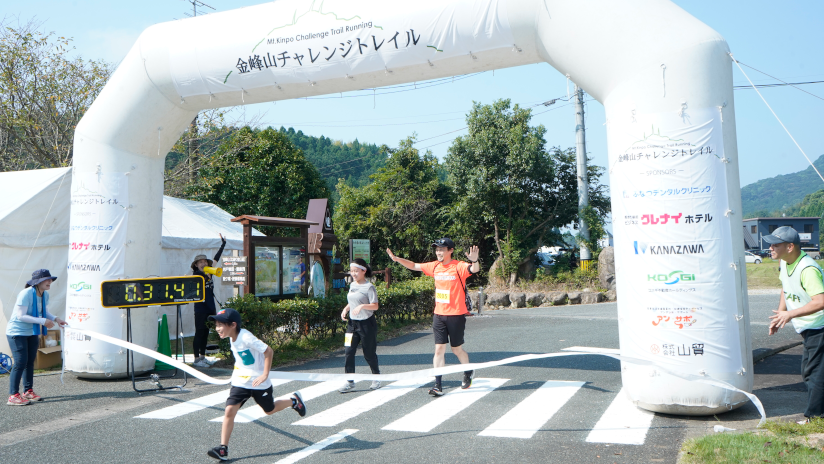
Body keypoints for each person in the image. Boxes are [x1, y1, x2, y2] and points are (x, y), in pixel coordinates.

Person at [206, 308, 306, 461]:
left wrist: (265, 374)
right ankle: (223, 449)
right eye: (216, 325)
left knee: (269, 409)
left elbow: (268, 351)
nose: (217, 328)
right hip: (241, 382)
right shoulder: (231, 337)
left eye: (220, 325)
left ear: (233, 325)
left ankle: (294, 401)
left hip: (259, 383)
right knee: (229, 411)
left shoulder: (246, 337)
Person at [387, 238, 480, 396]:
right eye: (437, 249)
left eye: (442, 249)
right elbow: (414, 265)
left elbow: (474, 270)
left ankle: (468, 371)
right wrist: (397, 259)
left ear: (450, 250)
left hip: (456, 315)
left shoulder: (459, 266)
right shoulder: (435, 266)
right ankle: (438, 385)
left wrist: (475, 260)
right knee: (439, 350)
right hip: (439, 315)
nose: (438, 252)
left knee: (456, 349)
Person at [766, 226, 824, 424]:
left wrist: (790, 314)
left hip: (820, 327)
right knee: (810, 371)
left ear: (790, 247)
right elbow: (785, 286)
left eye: (775, 244)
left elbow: (820, 301)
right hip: (809, 327)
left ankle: (815, 418)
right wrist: (780, 314)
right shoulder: (785, 263)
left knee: (814, 373)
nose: (770, 248)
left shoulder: (807, 269)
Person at [6, 269, 67, 406]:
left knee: (29, 362)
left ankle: (27, 391)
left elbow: (44, 312)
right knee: (20, 362)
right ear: (37, 282)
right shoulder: (25, 293)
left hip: (31, 332)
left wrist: (57, 319)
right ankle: (13, 396)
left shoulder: (44, 294)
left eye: (51, 279)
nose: (50, 281)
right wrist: (42, 321)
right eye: (47, 279)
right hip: (17, 332)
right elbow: (21, 316)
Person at [339, 258, 381, 393]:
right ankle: (350, 382)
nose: (353, 274)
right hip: (352, 324)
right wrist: (346, 309)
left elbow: (375, 306)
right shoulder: (352, 285)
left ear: (363, 271)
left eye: (356, 271)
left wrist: (362, 306)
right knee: (348, 352)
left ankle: (376, 377)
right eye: (352, 271)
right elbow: (352, 301)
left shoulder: (369, 287)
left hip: (366, 324)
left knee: (369, 353)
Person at [191, 234, 227, 368]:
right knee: (199, 332)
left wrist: (223, 244)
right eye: (200, 262)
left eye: (205, 262)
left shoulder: (209, 272)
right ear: (196, 265)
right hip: (200, 309)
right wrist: (205, 275)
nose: (203, 263)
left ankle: (202, 357)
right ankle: (196, 360)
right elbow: (199, 279)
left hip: (210, 307)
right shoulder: (196, 275)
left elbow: (216, 259)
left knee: (206, 332)